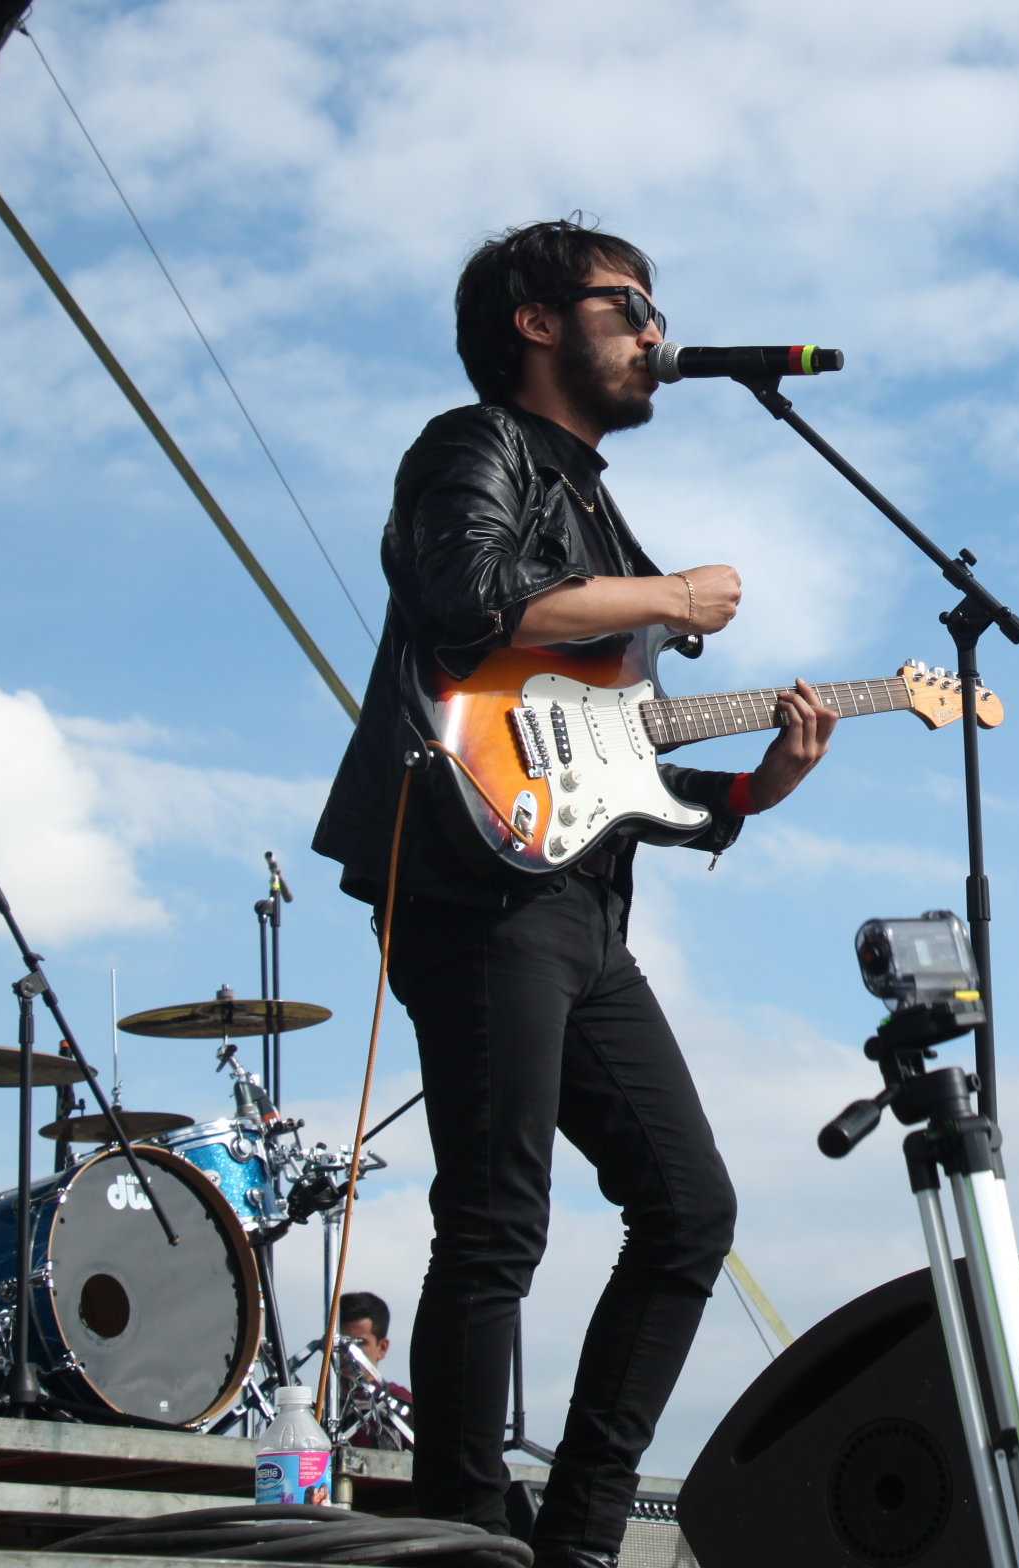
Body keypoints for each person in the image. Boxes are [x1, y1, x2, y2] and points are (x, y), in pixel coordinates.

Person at [312, 218, 840, 1568]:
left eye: (658, 311)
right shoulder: (472, 446)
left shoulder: (600, 506)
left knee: (690, 1207)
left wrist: (757, 785)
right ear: (537, 323)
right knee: (499, 1215)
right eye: (628, 307)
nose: (656, 333)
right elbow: (465, 596)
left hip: (581, 902)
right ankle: (462, 1520)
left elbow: (604, 756)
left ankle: (583, 1536)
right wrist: (667, 594)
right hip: (475, 882)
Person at [334, 1290, 414, 1451]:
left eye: (359, 1343)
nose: (347, 1353)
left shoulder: (400, 1405)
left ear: (382, 1348)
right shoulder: (320, 1411)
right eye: (340, 1343)